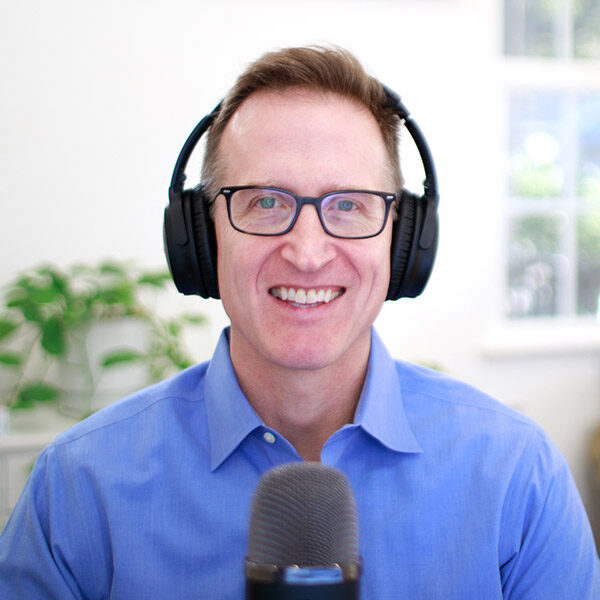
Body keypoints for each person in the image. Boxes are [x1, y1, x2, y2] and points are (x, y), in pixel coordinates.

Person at [0, 46, 598, 599]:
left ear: (403, 241)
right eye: (264, 201)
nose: (307, 252)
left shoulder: (518, 477)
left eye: (348, 205)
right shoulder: (78, 488)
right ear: (201, 239)